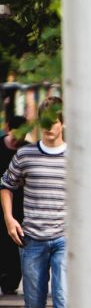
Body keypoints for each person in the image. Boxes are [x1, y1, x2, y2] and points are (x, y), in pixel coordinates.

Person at [1, 97, 69, 308]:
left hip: (65, 238)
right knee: (34, 306)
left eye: (54, 122)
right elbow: (6, 184)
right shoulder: (26, 155)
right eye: (45, 122)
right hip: (32, 241)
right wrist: (9, 219)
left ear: (63, 123)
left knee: (64, 303)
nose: (49, 127)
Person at [0, 115, 28, 293]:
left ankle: (10, 281)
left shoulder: (26, 150)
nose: (20, 139)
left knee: (15, 242)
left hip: (19, 204)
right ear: (9, 129)